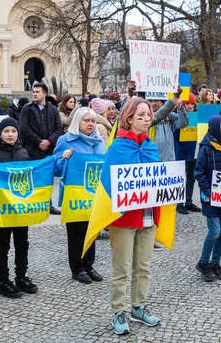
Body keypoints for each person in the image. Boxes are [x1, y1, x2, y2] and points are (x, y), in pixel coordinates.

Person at [108, 98, 164, 335]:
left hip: (148, 214)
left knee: (144, 266)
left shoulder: (151, 145)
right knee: (122, 267)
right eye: (141, 115)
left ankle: (138, 307)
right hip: (124, 217)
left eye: (148, 115)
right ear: (129, 118)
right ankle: (118, 311)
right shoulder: (118, 147)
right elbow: (109, 183)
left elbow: (159, 175)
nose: (146, 118)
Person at [0, 118, 39, 298]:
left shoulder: (23, 153)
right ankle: (3, 280)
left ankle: (21, 276)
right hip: (2, 210)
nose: (10, 134)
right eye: (6, 131)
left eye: (13, 131)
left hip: (20, 209)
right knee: (2, 246)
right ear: (0, 134)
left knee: (22, 244)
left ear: (18, 134)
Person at [53, 108, 105, 284]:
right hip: (75, 194)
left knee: (92, 230)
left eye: (93, 120)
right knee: (76, 232)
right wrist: (63, 159)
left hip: (93, 194)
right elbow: (56, 168)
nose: (90, 124)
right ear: (77, 122)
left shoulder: (99, 142)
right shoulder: (66, 141)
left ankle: (89, 265)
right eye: (86, 120)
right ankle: (77, 268)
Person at [194, 116, 221, 282]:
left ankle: (216, 263)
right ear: (215, 131)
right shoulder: (206, 148)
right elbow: (199, 172)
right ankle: (203, 262)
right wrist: (207, 190)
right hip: (210, 198)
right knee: (215, 231)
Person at [19, 82, 64, 215]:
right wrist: (39, 142)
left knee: (47, 178)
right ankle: (33, 204)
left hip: (48, 150)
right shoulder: (27, 109)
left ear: (44, 94)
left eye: (37, 92)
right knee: (33, 177)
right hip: (32, 149)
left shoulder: (53, 110)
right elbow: (24, 128)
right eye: (33, 91)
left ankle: (47, 204)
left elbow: (59, 128)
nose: (34, 94)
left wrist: (49, 141)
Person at [174, 93, 200, 214]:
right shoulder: (177, 117)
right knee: (180, 178)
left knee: (191, 178)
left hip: (194, 151)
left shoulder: (197, 116)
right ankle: (179, 203)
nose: (189, 106)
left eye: (191, 104)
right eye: (187, 104)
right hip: (181, 151)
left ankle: (188, 201)